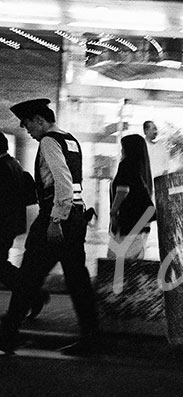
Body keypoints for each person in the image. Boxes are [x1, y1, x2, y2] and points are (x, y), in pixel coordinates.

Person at [0, 98, 99, 356]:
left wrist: (56, 219)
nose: (28, 132)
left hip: (56, 218)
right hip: (76, 218)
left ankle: (8, 335)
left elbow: (63, 182)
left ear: (39, 120)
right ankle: (91, 336)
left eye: (28, 124)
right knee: (77, 280)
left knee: (28, 276)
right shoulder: (71, 140)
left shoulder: (48, 141)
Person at [0, 134, 48, 323]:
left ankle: (34, 294)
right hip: (10, 224)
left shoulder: (2, 168)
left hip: (2, 225)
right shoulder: (14, 164)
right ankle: (34, 294)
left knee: (1, 266)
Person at [108, 134, 154, 259]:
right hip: (142, 226)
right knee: (132, 270)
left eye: (123, 147)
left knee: (115, 268)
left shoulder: (126, 165)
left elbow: (122, 190)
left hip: (127, 225)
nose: (121, 150)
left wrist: (113, 212)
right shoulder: (143, 170)